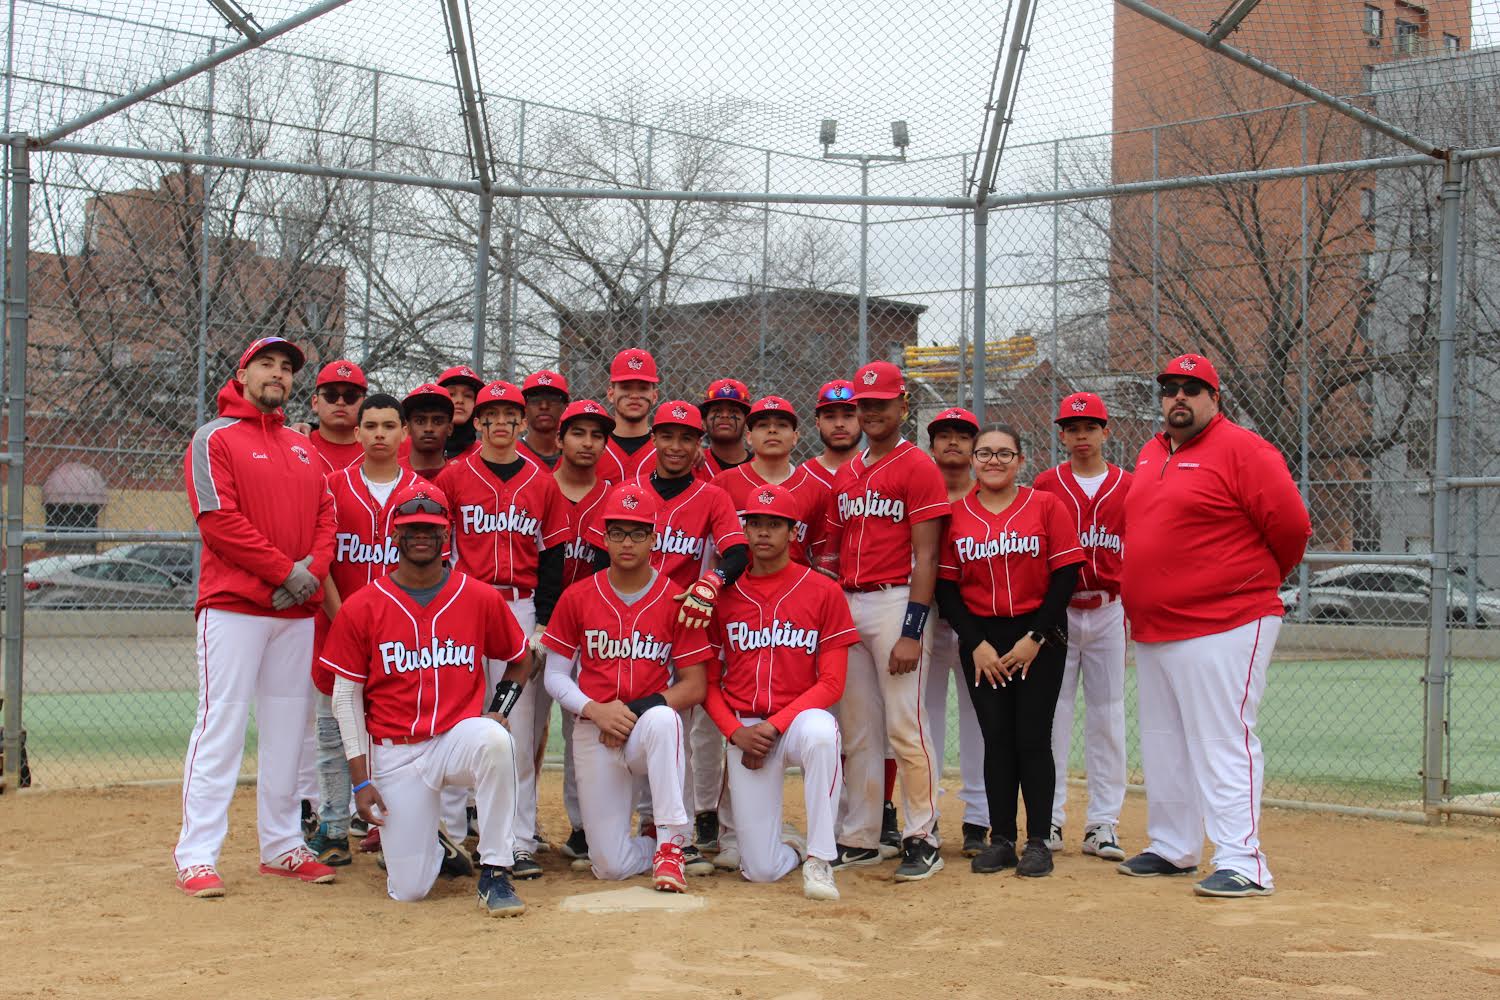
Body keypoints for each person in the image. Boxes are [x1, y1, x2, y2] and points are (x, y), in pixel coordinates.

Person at [1118, 354, 1310, 898]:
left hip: (1227, 620)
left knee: (1223, 739)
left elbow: (1292, 528)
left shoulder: (1245, 449)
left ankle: (1244, 860)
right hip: (1156, 627)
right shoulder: (1153, 451)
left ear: (1214, 398)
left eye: (1191, 388)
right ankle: (1174, 846)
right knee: (1164, 742)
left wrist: (1244, 580)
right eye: (1169, 388)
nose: (1178, 397)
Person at [319, 482, 532, 916]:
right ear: (393, 536)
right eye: (412, 528)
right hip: (396, 752)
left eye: (431, 529)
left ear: (446, 534)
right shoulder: (363, 606)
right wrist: (360, 780)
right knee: (410, 890)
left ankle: (495, 870)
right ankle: (430, 841)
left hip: (457, 738)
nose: (422, 536)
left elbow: (519, 658)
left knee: (495, 740)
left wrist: (499, 711)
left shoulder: (477, 596)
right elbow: (346, 697)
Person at [174, 336, 337, 898]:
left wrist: (309, 576)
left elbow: (326, 522)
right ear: (242, 374)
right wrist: (284, 574)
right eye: (267, 364)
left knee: (290, 731)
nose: (279, 374)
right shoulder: (213, 438)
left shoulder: (302, 446)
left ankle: (282, 844)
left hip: (295, 612)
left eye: (287, 368)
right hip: (234, 608)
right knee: (220, 727)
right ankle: (197, 855)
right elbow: (218, 522)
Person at [586, 400, 750, 876]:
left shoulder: (712, 495)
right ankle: (642, 827)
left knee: (674, 723)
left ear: (700, 447)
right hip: (629, 620)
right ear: (652, 438)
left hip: (686, 620)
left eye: (687, 438)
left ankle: (673, 831)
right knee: (625, 717)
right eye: (668, 436)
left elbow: (736, 554)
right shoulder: (627, 491)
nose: (676, 446)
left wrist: (711, 582)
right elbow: (603, 558)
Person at [541, 483, 716, 892]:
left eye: (638, 532)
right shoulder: (577, 596)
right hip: (595, 728)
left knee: (664, 719)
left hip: (644, 729)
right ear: (604, 537)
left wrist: (630, 711)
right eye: (618, 532)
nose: (627, 542)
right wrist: (594, 710)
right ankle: (651, 845)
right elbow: (554, 676)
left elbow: (695, 686)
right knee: (610, 865)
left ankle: (673, 844)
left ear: (655, 539)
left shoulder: (676, 598)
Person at [934, 423, 1084, 878]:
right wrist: (975, 643)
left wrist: (1034, 639)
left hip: (1038, 636)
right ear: (973, 461)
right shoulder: (956, 515)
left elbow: (1065, 578)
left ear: (1021, 460)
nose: (993, 461)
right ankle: (1001, 839)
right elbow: (947, 587)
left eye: (1004, 453)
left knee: (1033, 738)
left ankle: (1038, 839)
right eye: (985, 453)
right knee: (995, 738)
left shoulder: (1045, 506)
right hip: (982, 639)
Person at [435, 380, 570, 879]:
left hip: (520, 608)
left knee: (519, 722)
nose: (499, 424)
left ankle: (518, 839)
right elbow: (440, 546)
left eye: (508, 416)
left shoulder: (542, 480)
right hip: (465, 605)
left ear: (521, 422)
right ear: (476, 422)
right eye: (489, 415)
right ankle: (450, 833)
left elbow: (553, 557)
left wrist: (546, 623)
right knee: (455, 713)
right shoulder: (453, 477)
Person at [823, 360, 950, 882]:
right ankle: (861, 835)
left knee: (905, 723)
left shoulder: (917, 465)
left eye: (881, 403)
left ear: (903, 406)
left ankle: (923, 834)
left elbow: (928, 558)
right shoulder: (849, 471)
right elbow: (833, 551)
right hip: (850, 604)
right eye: (863, 404)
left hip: (897, 600)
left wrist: (912, 630)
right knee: (857, 730)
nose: (871, 412)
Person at [703, 484, 857, 900]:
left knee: (824, 733)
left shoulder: (823, 590)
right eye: (755, 524)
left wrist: (772, 726)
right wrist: (736, 732)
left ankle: (821, 860)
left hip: (797, 721)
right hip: (745, 726)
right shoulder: (724, 596)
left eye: (775, 525)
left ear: (793, 532)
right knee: (761, 870)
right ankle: (792, 847)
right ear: (744, 531)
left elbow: (832, 683)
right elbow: (707, 682)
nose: (764, 533)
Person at [305, 393, 428, 868]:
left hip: (403, 639)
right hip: (338, 629)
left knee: (394, 735)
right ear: (356, 434)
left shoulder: (422, 492)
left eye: (388, 425)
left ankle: (385, 829)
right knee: (334, 732)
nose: (379, 433)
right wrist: (346, 622)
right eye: (370, 425)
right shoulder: (332, 487)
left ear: (404, 435)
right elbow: (325, 562)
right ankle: (334, 827)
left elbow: (430, 569)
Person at [802, 377, 902, 855]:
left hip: (884, 600)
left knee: (891, 720)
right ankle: (846, 818)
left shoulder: (889, 468)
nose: (841, 422)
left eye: (848, 413)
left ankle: (882, 813)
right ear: (818, 421)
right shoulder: (807, 478)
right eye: (831, 414)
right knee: (844, 720)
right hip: (824, 608)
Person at [1032, 391, 1131, 862]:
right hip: (1061, 611)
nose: (1081, 435)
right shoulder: (1046, 484)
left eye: (1090, 427)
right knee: (1055, 714)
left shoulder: (1128, 486)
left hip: (1110, 609)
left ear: (1105, 432)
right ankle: (1048, 817)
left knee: (1108, 715)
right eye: (1072, 428)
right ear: (1062, 435)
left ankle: (1103, 823)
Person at [552, 397, 618, 870]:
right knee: (529, 730)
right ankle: (513, 828)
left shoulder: (614, 493)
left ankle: (582, 826)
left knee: (587, 721)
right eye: (579, 433)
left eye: (597, 435)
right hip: (545, 621)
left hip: (599, 625)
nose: (588, 442)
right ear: (560, 439)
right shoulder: (537, 487)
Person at [923, 406, 991, 858]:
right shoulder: (918, 490)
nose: (952, 442)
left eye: (962, 436)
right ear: (931, 445)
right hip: (925, 619)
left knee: (979, 718)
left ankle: (977, 818)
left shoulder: (989, 495)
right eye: (943, 434)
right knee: (924, 717)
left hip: (975, 621)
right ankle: (923, 813)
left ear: (974, 446)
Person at [713, 395, 830, 567]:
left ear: (795, 436)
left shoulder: (817, 490)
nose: (772, 430)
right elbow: (709, 550)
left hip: (794, 588)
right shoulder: (723, 483)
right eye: (763, 425)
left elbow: (821, 556)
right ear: (749, 437)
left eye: (782, 425)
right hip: (735, 587)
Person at [598, 348, 661, 483]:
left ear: (654, 396)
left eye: (643, 388)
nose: (634, 396)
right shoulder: (592, 447)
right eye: (626, 387)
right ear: (611, 394)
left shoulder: (668, 451)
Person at [307, 359, 368, 475]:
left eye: (350, 396)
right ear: (315, 403)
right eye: (331, 395)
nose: (340, 402)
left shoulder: (379, 447)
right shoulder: (298, 445)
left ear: (364, 404)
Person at [799, 379, 859, 489]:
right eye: (830, 417)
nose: (839, 424)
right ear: (818, 424)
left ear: (862, 419)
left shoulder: (878, 470)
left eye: (848, 416)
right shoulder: (801, 477)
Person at [698, 377, 752, 480]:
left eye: (734, 411)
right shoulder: (692, 462)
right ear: (704, 422)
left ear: (746, 421)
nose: (725, 415)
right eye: (717, 410)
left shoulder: (761, 467)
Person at [401, 383, 454, 480]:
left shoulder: (460, 476)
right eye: (420, 421)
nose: (428, 428)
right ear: (407, 428)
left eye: (438, 421)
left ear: (450, 428)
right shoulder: (389, 473)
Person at [518, 369, 569, 469]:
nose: (544, 406)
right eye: (535, 400)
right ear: (524, 407)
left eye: (553, 400)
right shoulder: (510, 455)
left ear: (565, 407)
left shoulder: (578, 455)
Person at [437, 364, 484, 460]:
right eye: (451, 394)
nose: (459, 400)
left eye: (468, 395)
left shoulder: (484, 454)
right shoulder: (415, 449)